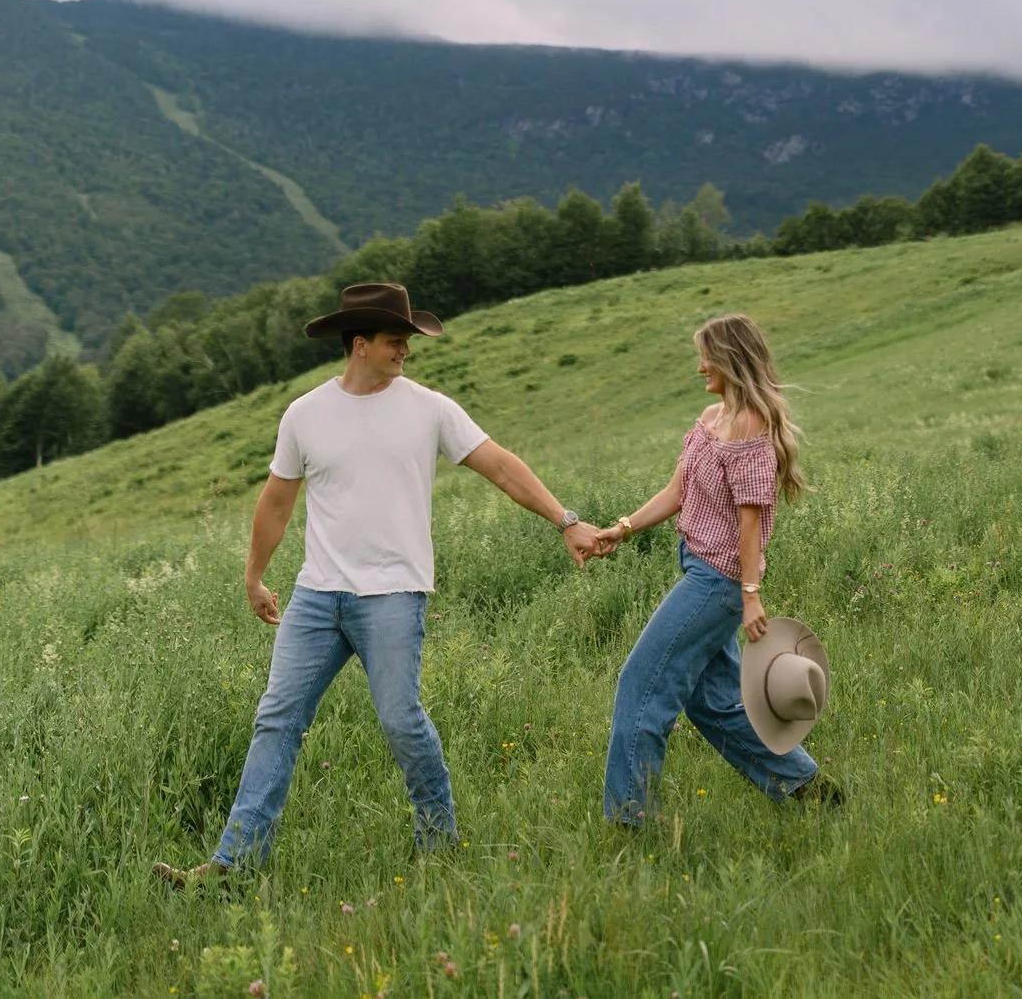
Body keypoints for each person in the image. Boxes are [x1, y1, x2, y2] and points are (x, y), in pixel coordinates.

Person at [155, 282, 605, 883]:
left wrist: (566, 521)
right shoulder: (305, 414)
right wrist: (254, 576)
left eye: (408, 342)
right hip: (317, 597)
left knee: (400, 718)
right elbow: (276, 503)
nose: (406, 351)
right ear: (359, 344)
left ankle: (439, 845)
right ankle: (233, 864)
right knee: (277, 719)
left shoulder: (430, 409)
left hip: (393, 595)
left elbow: (498, 464)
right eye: (397, 341)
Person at [593, 313, 842, 820]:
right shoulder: (711, 418)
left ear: (730, 359)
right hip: (699, 567)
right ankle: (808, 790)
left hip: (719, 581)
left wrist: (750, 594)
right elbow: (677, 491)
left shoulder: (751, 425)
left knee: (641, 687)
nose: (700, 366)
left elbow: (751, 520)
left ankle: (629, 819)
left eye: (706, 356)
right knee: (713, 704)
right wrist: (621, 529)